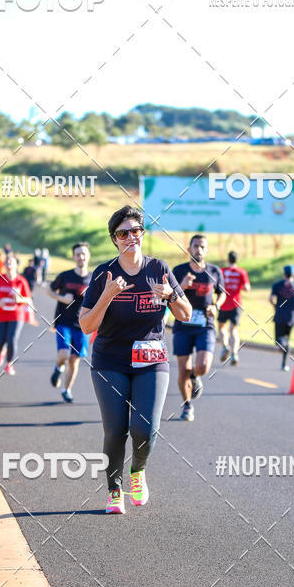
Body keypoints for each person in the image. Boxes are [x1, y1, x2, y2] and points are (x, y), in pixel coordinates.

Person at [79, 206, 191, 514]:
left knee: (145, 429)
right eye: (123, 233)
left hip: (152, 360)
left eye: (135, 231)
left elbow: (187, 313)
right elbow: (87, 325)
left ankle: (137, 471)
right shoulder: (104, 273)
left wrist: (170, 296)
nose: (131, 237)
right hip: (110, 361)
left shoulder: (159, 269)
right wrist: (107, 295)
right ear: (114, 239)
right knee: (116, 430)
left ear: (142, 234)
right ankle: (114, 491)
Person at [172, 235, 225, 422]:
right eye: (196, 246)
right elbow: (168, 294)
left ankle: (195, 376)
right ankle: (187, 405)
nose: (199, 250)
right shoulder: (178, 271)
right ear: (189, 249)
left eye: (202, 247)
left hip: (205, 324)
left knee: (203, 366)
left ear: (206, 250)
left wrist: (216, 306)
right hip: (182, 325)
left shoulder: (214, 271)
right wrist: (182, 286)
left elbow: (223, 294)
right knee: (182, 370)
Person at [47, 243, 92, 403]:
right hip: (63, 322)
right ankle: (58, 367)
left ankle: (66, 390)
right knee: (64, 355)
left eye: (83, 253)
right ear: (74, 257)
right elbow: (49, 289)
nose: (81, 257)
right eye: (78, 254)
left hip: (82, 325)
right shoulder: (65, 276)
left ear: (88, 255)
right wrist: (62, 298)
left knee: (75, 359)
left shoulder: (93, 279)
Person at [0, 254, 32, 375]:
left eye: (12, 262)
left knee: (12, 339)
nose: (9, 264)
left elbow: (28, 299)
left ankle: (9, 364)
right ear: (5, 265)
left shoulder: (21, 281)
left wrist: (19, 299)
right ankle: (1, 351)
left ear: (16, 265)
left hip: (16, 315)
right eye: (7, 262)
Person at [269, 264, 294, 370]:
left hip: (279, 316)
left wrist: (275, 306)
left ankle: (283, 344)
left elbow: (271, 298)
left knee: (278, 341)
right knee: (287, 339)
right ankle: (284, 364)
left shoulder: (277, 285)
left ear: (284, 274)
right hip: (291, 317)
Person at [218, 251, 251, 365]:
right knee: (234, 330)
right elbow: (247, 288)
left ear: (228, 259)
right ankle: (234, 353)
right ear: (237, 260)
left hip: (223, 303)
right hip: (236, 304)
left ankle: (225, 346)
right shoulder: (241, 272)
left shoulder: (222, 271)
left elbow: (217, 285)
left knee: (222, 327)